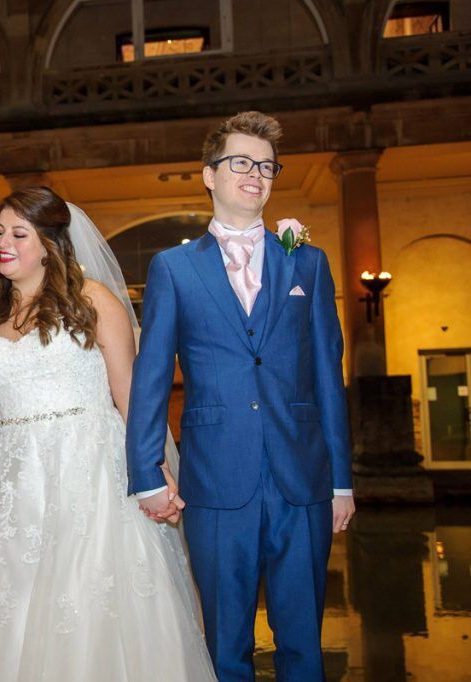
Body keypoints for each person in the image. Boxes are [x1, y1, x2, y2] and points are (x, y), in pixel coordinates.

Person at [0, 187, 214, 681]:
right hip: (13, 481)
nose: (4, 242)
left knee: (87, 596)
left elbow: (131, 396)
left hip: (91, 472)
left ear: (49, 243)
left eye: (19, 233)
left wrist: (154, 469)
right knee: (8, 602)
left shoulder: (93, 300)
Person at [127, 111, 356, 681]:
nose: (255, 174)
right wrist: (147, 472)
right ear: (209, 175)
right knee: (225, 645)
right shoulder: (173, 269)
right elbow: (151, 375)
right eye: (240, 163)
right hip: (215, 478)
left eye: (266, 166)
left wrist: (342, 480)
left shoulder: (308, 260)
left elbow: (328, 373)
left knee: (304, 642)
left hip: (303, 479)